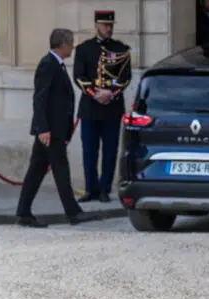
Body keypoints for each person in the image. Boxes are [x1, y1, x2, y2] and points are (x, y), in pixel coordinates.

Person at [16, 28, 96, 228]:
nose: (73, 47)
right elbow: (40, 98)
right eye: (71, 43)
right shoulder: (48, 65)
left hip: (55, 129)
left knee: (36, 171)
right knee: (61, 170)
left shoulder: (57, 65)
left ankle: (24, 211)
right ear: (63, 44)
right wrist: (43, 128)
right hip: (50, 131)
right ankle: (73, 212)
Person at [73, 10, 132, 203]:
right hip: (90, 107)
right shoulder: (84, 49)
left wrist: (111, 93)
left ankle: (105, 189)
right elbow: (79, 76)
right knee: (89, 151)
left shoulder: (121, 49)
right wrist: (95, 93)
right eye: (105, 25)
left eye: (111, 25)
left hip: (111, 108)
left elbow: (125, 77)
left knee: (110, 151)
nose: (109, 28)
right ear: (97, 25)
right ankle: (91, 189)